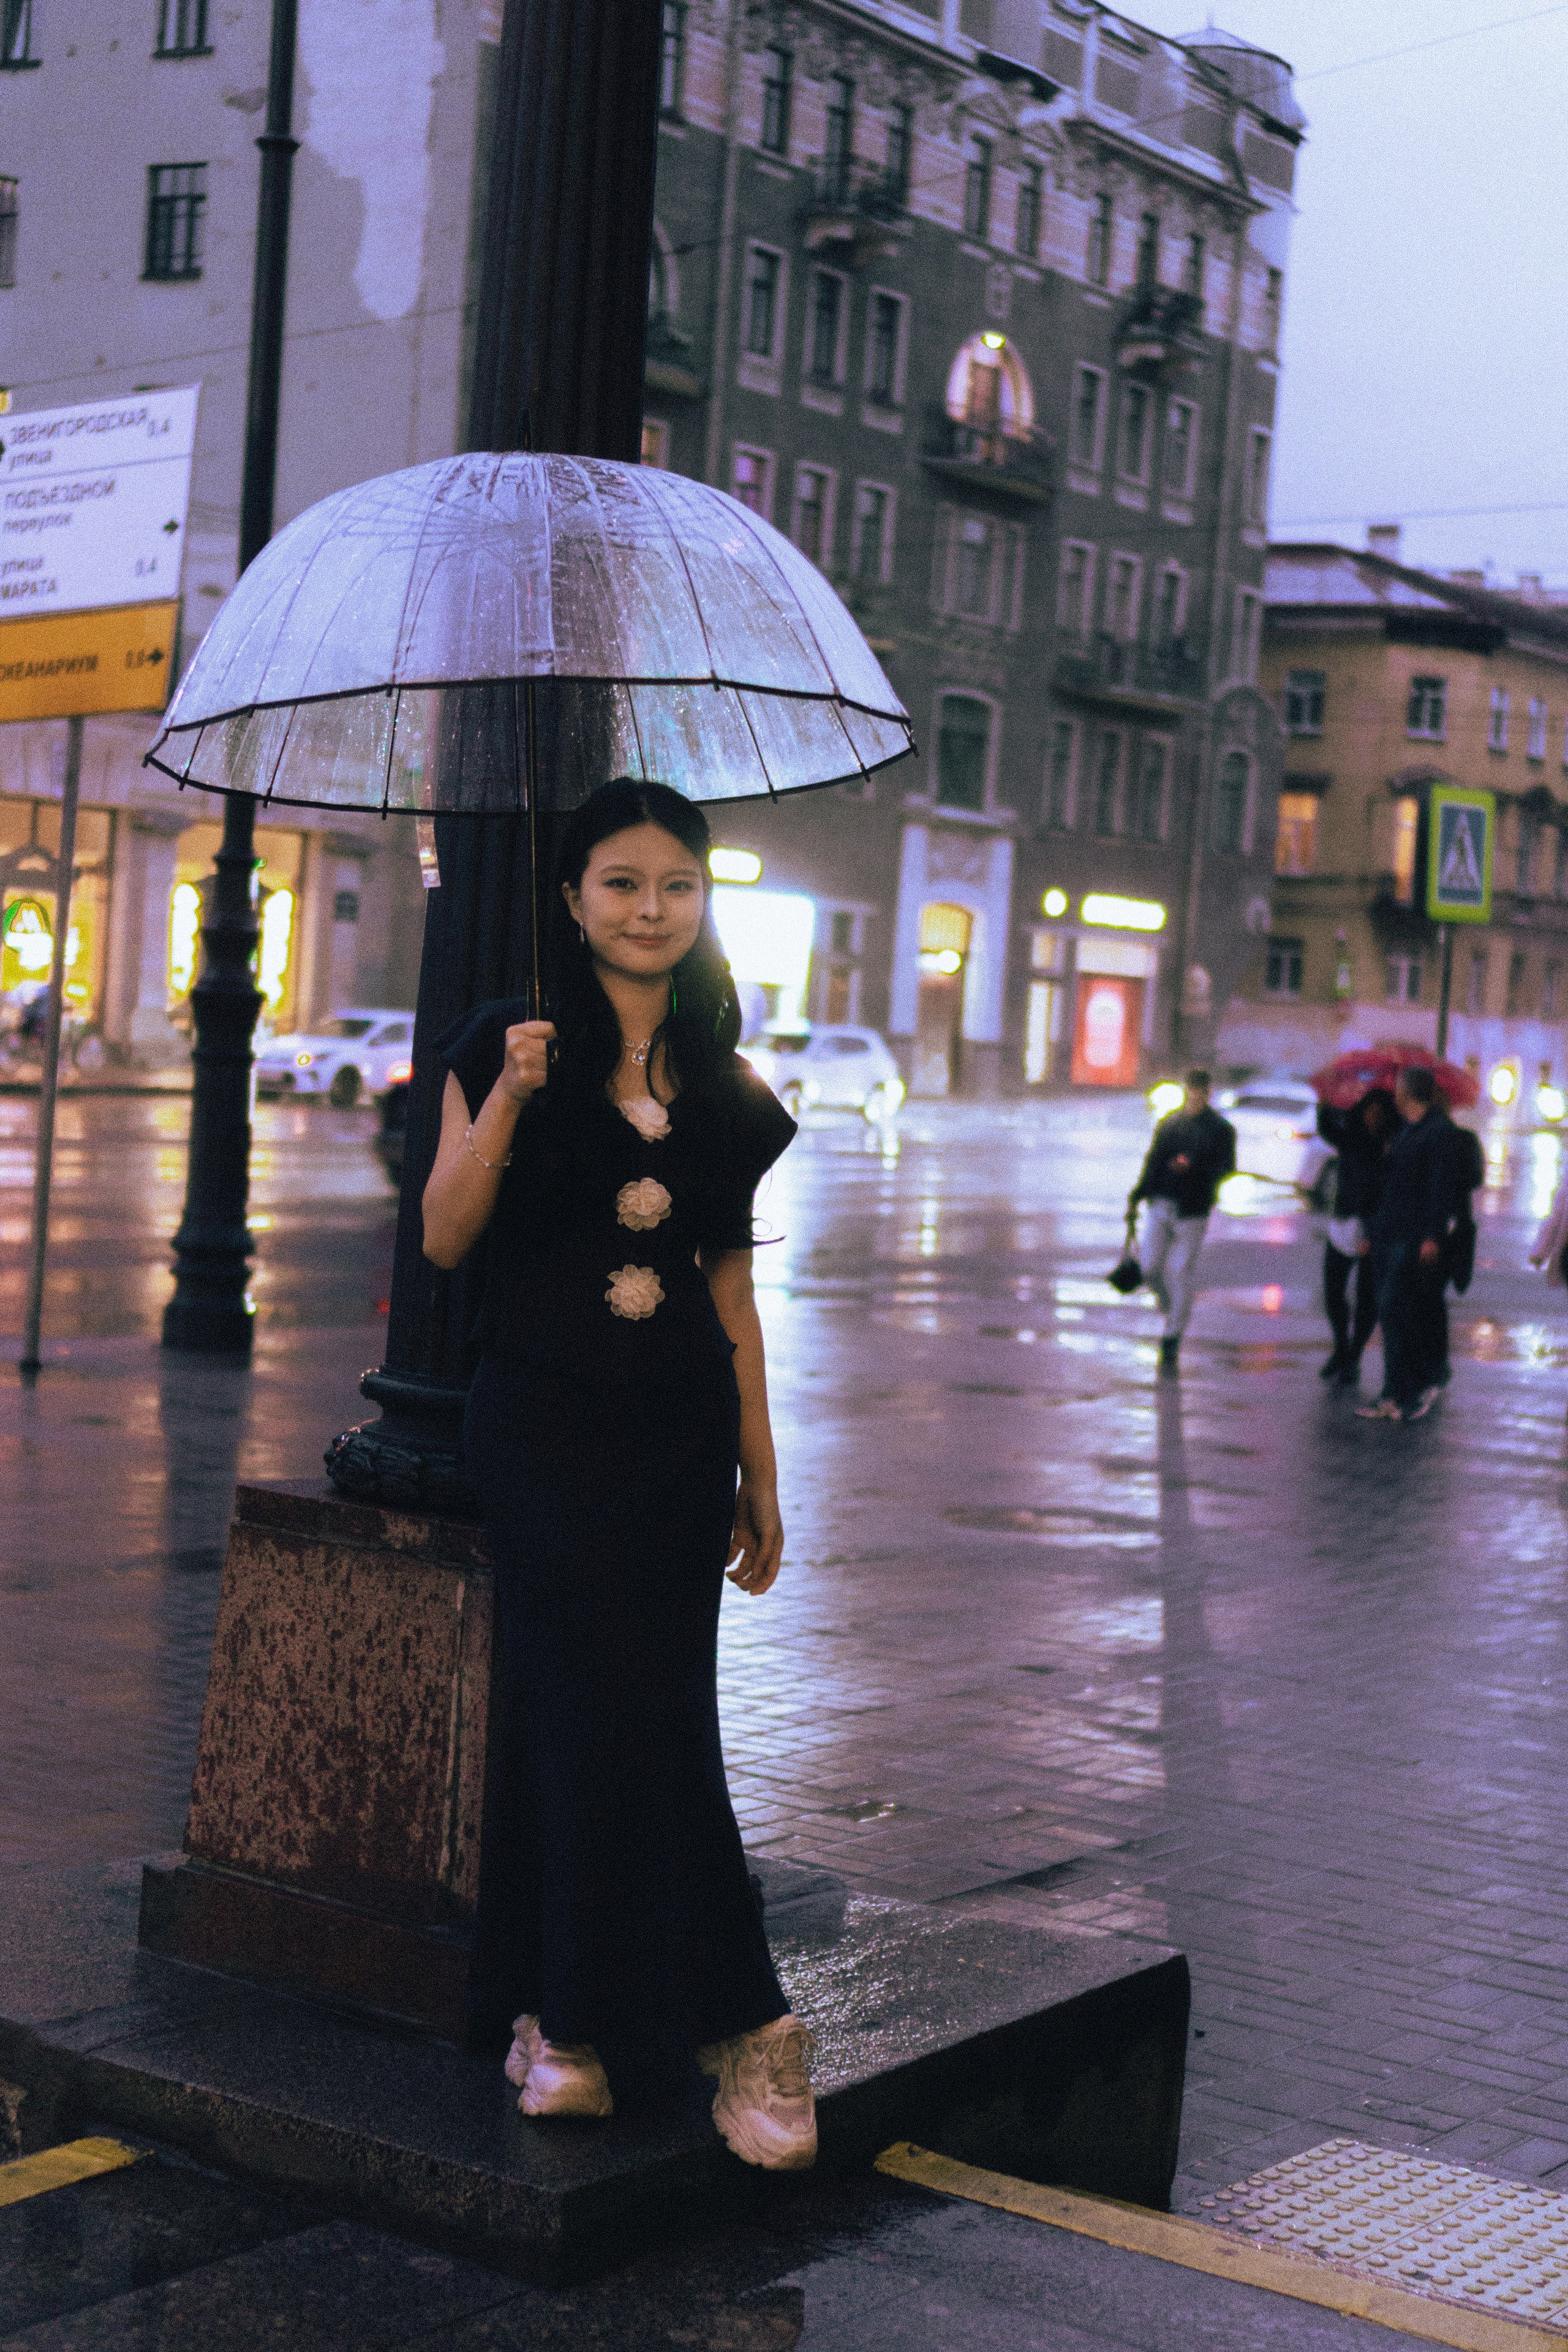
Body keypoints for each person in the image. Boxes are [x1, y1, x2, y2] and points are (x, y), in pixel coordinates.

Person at [422, 778, 817, 2173]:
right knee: (594, 1709)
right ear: (574, 899)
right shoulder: (498, 1042)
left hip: (670, 1437)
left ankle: (570, 2023)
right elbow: (447, 1237)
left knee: (647, 1714)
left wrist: (760, 1470)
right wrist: (510, 1103)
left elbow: (730, 1294)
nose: (649, 909)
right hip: (539, 1423)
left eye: (675, 884)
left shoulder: (722, 1086)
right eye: (620, 883)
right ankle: (733, 2024)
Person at [1357, 1065, 1459, 1422]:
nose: (1394, 1093)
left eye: (1398, 1088)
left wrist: (1432, 1235)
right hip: (1390, 1232)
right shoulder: (1406, 1130)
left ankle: (1408, 1392)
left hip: (1413, 1235)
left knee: (1398, 1308)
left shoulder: (1437, 1132)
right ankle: (1393, 1392)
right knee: (1390, 1313)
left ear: (1408, 1092)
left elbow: (1439, 1186)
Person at [1128, 1069, 1237, 1374]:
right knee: (1150, 1268)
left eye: (1202, 1090)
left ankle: (1172, 1337)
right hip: (1162, 1201)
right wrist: (1139, 1194)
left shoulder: (1221, 1130)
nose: (1197, 1096)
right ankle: (1173, 1314)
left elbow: (1227, 1167)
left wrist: (1195, 1168)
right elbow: (1153, 1160)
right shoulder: (1171, 1123)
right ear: (1187, 1090)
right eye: (1193, 1090)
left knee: (1180, 1271)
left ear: (1208, 1092)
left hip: (1194, 1209)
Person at [1314, 1087, 1399, 1384]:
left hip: (1375, 1230)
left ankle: (1353, 1356)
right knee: (1333, 1290)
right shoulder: (1352, 1136)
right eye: (1369, 1110)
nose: (1373, 1117)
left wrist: (1374, 1233)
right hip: (1344, 1221)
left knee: (1367, 1298)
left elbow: (1391, 1194)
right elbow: (1326, 1128)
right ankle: (1341, 1347)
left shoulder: (1394, 1145)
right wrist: (1324, 1102)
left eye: (1380, 1112)